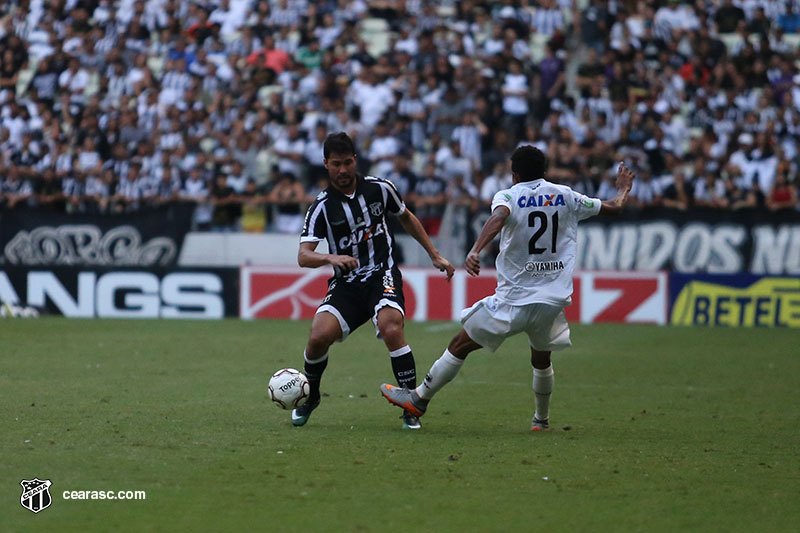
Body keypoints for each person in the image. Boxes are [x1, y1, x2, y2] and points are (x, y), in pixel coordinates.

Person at [380, 146, 635, 431]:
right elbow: (614, 207)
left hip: (514, 300)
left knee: (460, 344)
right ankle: (541, 419)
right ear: (544, 170)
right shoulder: (566, 195)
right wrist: (623, 189)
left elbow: (499, 217)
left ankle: (419, 398)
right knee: (541, 358)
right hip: (552, 300)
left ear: (515, 173)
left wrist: (476, 249)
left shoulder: (508, 195)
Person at [293, 132, 455, 429]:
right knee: (317, 338)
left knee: (390, 326)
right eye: (335, 164)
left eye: (347, 163)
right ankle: (312, 396)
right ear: (326, 164)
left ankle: (411, 405)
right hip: (346, 285)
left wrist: (434, 254)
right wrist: (331, 258)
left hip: (382, 273)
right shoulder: (320, 207)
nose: (342, 170)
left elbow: (405, 216)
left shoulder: (381, 189)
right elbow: (304, 256)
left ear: (355, 160)